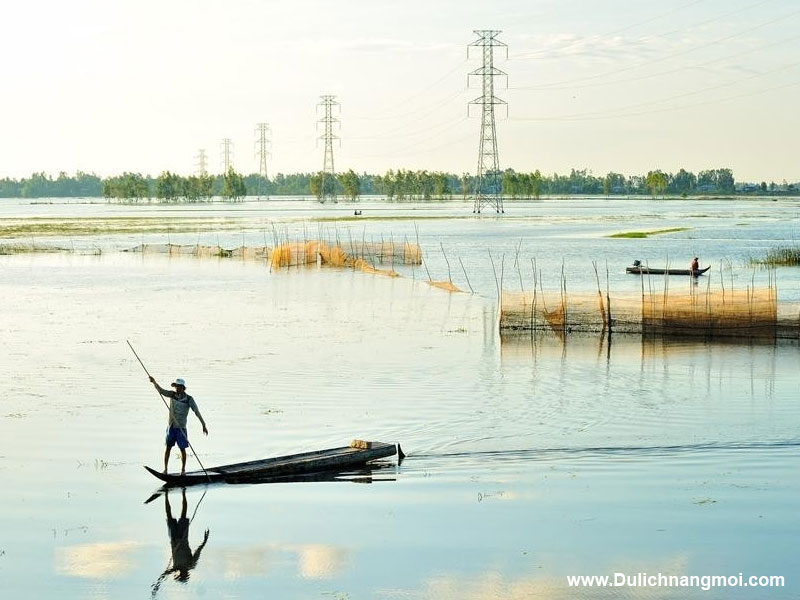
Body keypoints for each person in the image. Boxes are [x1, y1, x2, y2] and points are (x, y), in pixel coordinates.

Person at [149, 376, 208, 475]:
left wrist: (203, 425)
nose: (177, 389)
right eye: (176, 387)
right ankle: (165, 470)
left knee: (182, 449)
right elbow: (161, 391)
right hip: (171, 427)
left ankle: (183, 471)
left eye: (179, 387)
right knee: (168, 447)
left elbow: (196, 412)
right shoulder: (172, 395)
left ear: (183, 388)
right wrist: (154, 382)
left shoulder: (189, 399)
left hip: (181, 428)